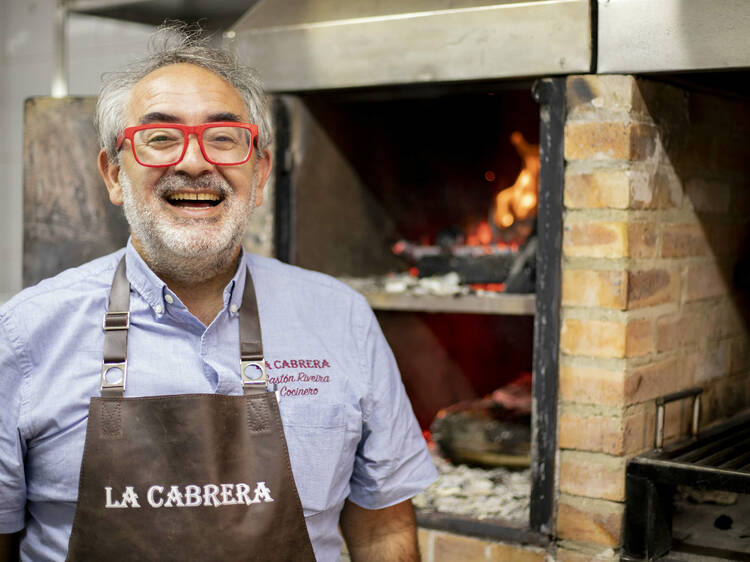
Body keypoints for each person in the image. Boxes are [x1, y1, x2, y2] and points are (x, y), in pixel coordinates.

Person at [0, 25, 436, 561]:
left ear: (259, 173)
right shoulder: (24, 334)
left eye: (224, 138)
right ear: (114, 174)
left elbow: (382, 530)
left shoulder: (341, 318)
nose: (193, 162)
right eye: (160, 138)